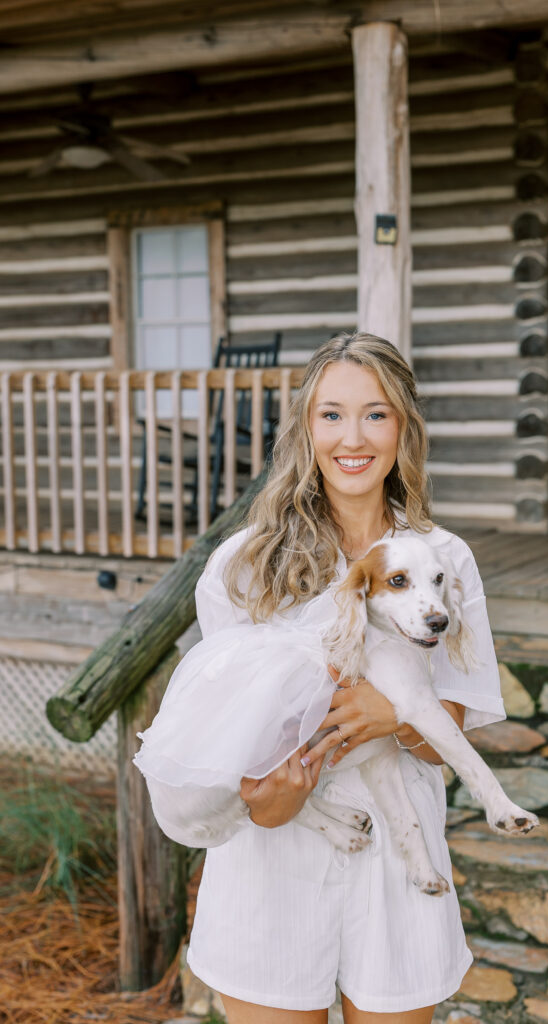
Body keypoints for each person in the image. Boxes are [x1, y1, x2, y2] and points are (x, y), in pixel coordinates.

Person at [135, 332, 505, 1024]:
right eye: (331, 414)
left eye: (376, 413)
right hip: (272, 859)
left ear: (403, 427)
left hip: (399, 862)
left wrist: (393, 714)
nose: (352, 437)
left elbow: (451, 725)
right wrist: (260, 801)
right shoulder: (244, 563)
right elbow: (231, 724)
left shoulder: (443, 560)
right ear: (306, 428)